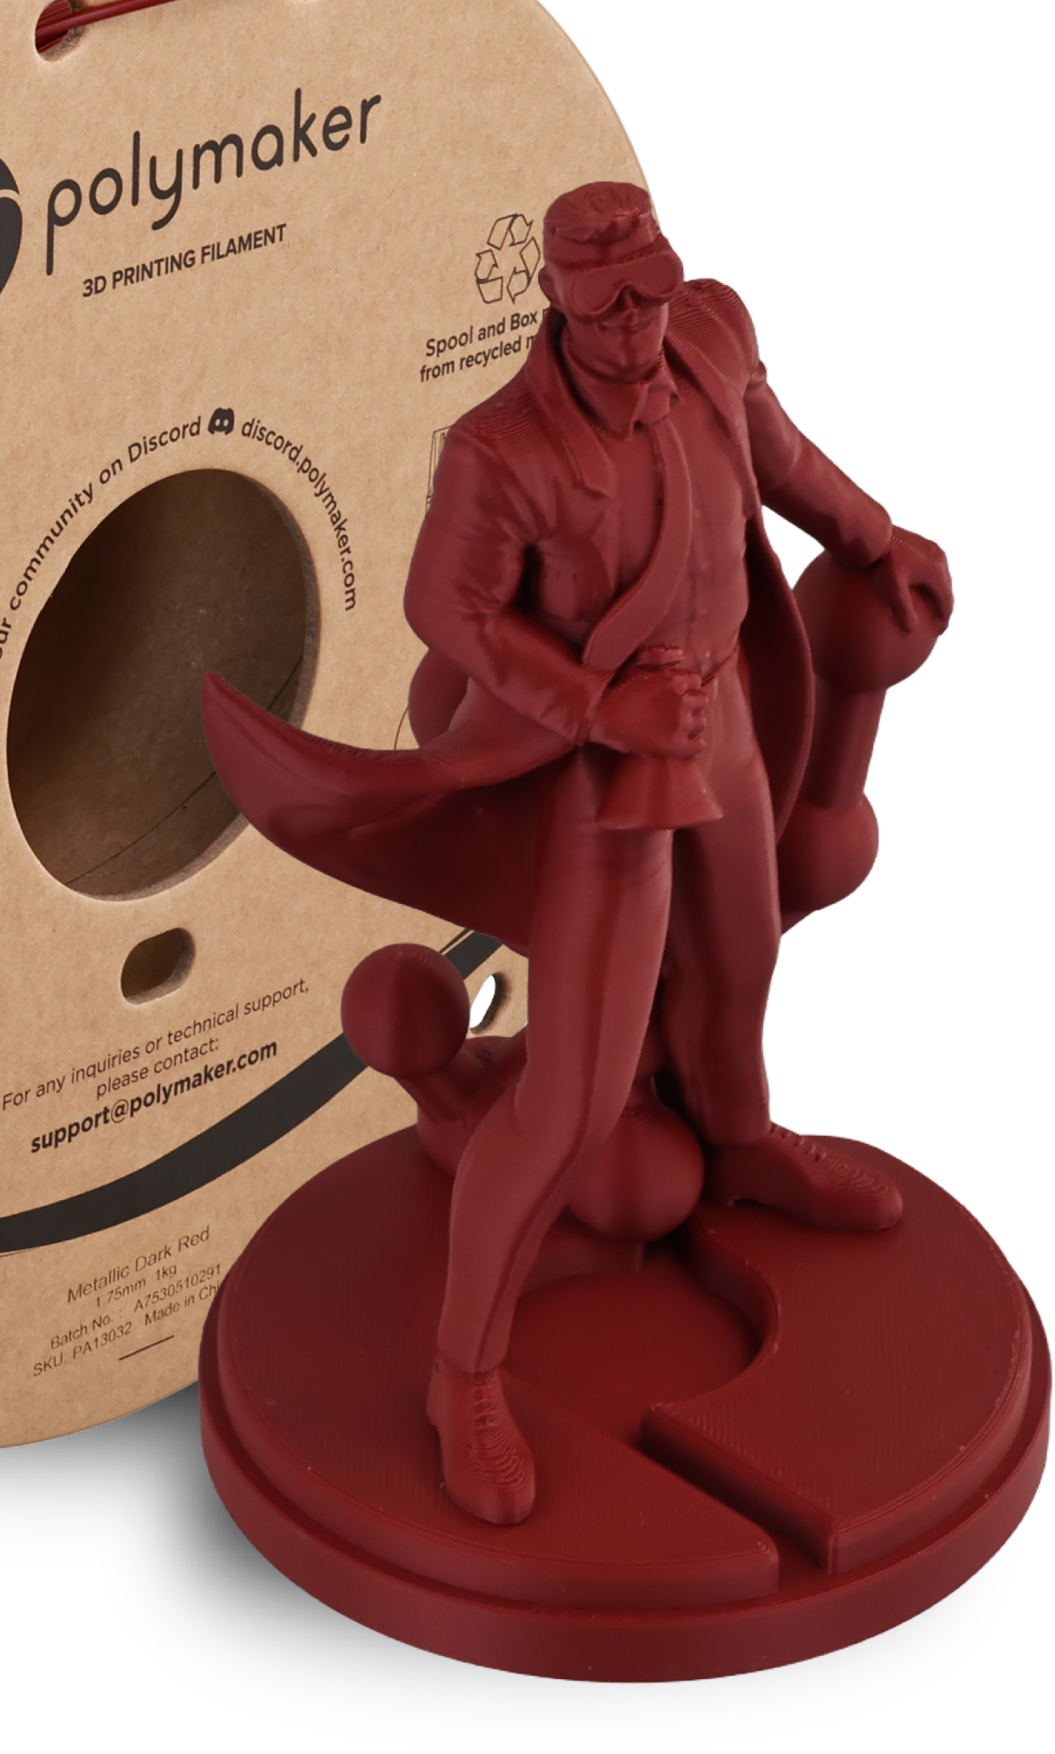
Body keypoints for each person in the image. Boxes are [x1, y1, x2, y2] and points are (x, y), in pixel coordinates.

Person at [201, 181, 954, 1525]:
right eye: (605, 307)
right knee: (571, 1100)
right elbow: (448, 609)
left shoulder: (712, 334)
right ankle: (464, 1374)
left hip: (722, 716)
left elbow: (779, 454)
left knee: (737, 967)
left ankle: (740, 1143)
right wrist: (600, 709)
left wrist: (871, 531)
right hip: (605, 775)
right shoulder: (502, 451)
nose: (633, 326)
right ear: (554, 299)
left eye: (648, 291)